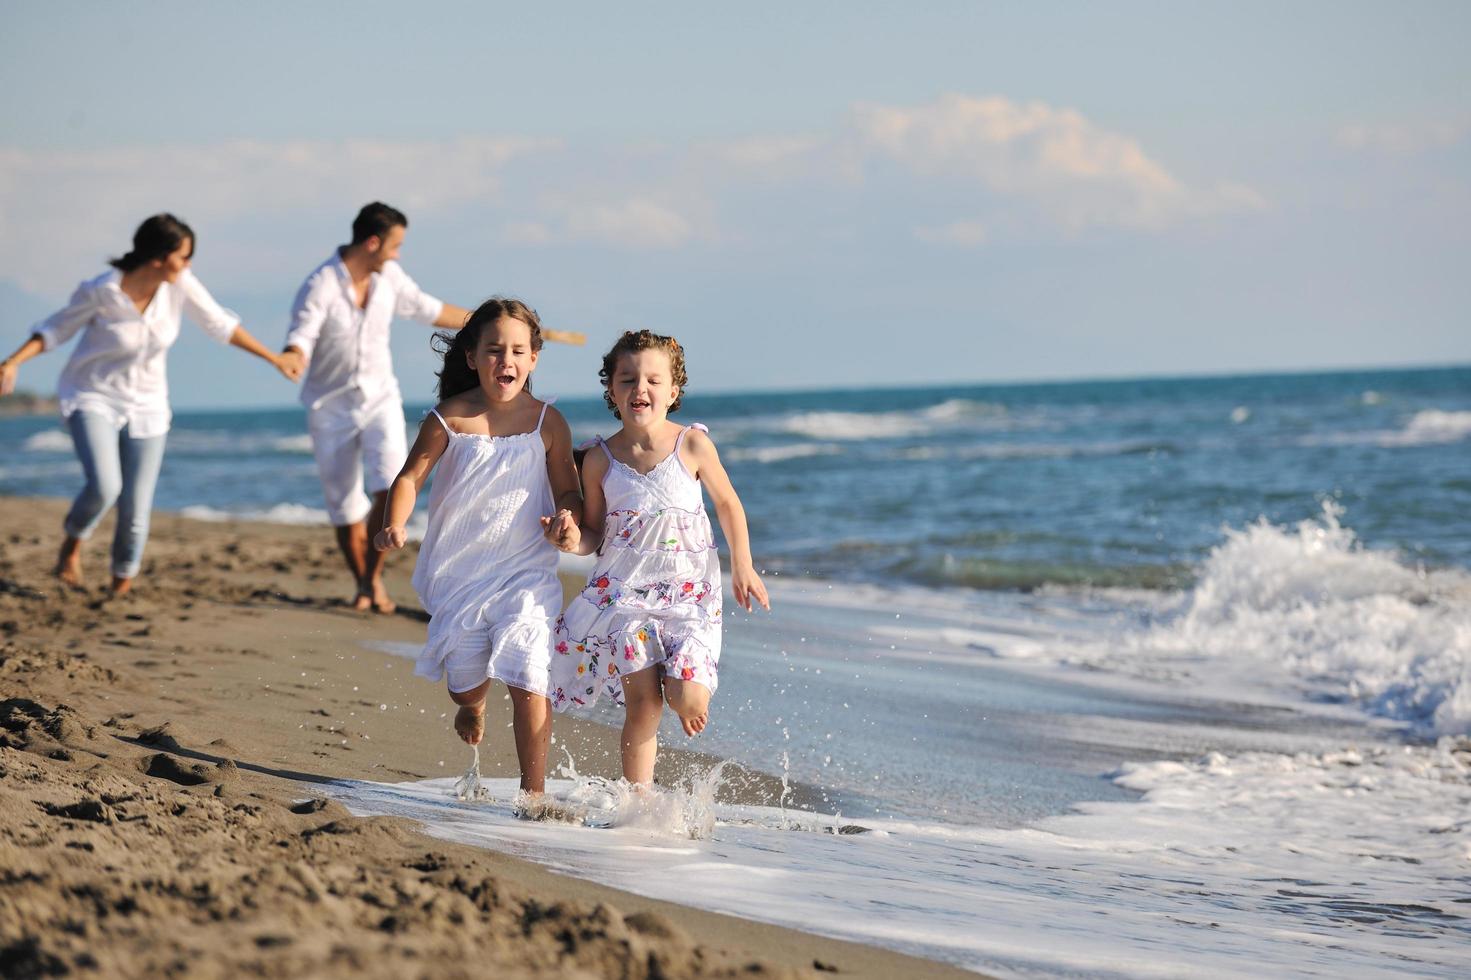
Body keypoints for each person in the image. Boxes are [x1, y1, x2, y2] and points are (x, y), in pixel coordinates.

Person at [0, 214, 299, 595]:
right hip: (92, 395)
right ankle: (72, 545)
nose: (188, 265)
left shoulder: (179, 285)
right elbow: (55, 329)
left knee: (136, 509)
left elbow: (219, 325)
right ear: (159, 257)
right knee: (106, 486)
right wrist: (13, 361)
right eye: (183, 256)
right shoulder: (101, 290)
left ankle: (120, 585)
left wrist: (274, 359)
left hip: (148, 405)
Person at [375, 297, 581, 800]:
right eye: (493, 350)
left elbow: (568, 488)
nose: (504, 361)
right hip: (461, 576)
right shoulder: (449, 419)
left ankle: (534, 796)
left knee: (531, 675)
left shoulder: (547, 422)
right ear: (472, 358)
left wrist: (569, 519)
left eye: (516, 350)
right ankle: (472, 704)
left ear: (534, 358)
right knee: (464, 683)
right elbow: (409, 477)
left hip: (526, 574)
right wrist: (394, 523)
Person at [544, 329, 769, 787]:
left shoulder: (692, 445)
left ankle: (685, 693)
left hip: (689, 597)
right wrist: (570, 541)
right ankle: (638, 801)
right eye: (627, 380)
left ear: (673, 390)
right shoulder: (600, 461)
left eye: (652, 379)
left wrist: (743, 564)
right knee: (644, 706)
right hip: (626, 598)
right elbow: (594, 536)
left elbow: (728, 503)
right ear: (612, 390)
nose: (639, 389)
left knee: (686, 698)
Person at [279, 202, 471, 614]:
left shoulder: (389, 278)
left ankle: (371, 581)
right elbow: (302, 332)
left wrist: (486, 322)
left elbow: (429, 308)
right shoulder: (321, 285)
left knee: (390, 484)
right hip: (329, 407)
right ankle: (365, 583)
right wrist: (294, 354)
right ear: (372, 242)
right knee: (344, 504)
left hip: (380, 398)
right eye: (395, 245)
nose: (398, 254)